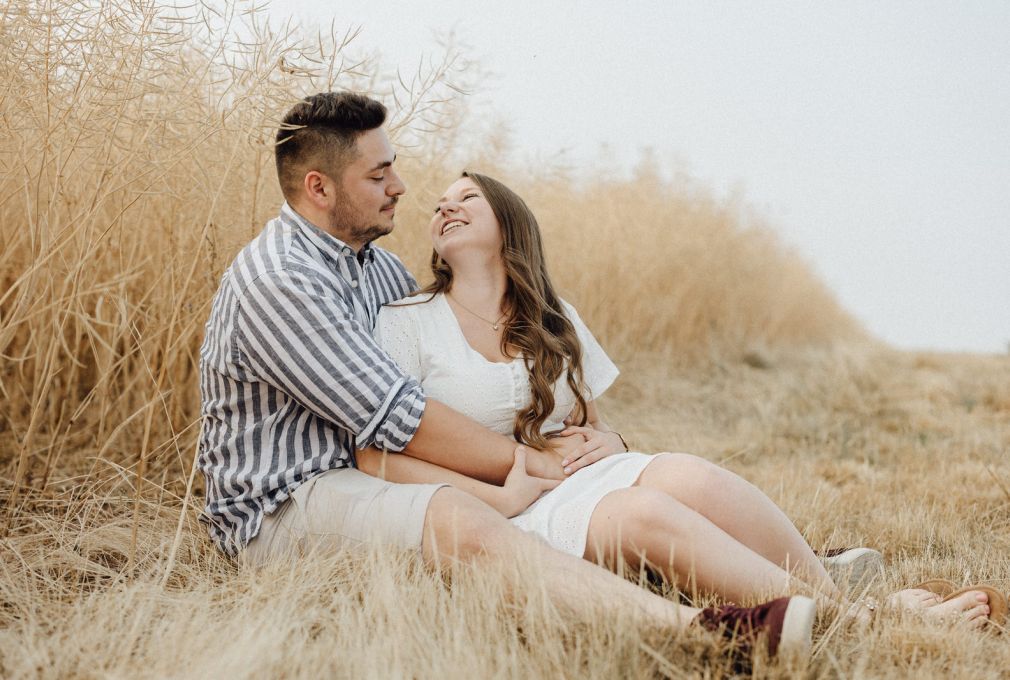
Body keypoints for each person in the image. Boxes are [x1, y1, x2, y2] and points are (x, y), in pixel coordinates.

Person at [194, 91, 996, 667]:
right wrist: (522, 469)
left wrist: (584, 445)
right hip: (286, 499)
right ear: (319, 188)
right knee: (467, 523)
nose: (402, 187)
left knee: (668, 478)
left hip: (364, 472)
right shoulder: (282, 281)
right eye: (380, 175)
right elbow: (395, 419)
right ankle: (713, 634)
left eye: (395, 167)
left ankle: (824, 591)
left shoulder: (368, 269)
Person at [355, 170, 1002, 629]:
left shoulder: (556, 317)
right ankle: (856, 621)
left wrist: (614, 441)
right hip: (506, 512)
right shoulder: (406, 322)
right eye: (438, 203)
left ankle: (827, 588)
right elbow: (373, 456)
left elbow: (588, 425)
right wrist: (498, 496)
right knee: (641, 514)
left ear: (508, 223)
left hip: (578, 477)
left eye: (466, 196)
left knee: (688, 473)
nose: (445, 206)